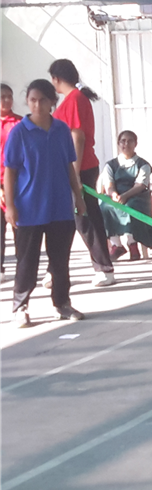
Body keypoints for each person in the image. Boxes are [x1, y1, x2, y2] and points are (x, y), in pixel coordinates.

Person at [4, 79, 88, 327]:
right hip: (29, 209)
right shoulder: (20, 132)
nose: (37, 105)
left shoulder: (61, 130)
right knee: (27, 262)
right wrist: (11, 206)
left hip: (60, 207)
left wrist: (78, 197)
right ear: (27, 101)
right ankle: (20, 306)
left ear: (52, 101)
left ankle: (61, 303)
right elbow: (10, 171)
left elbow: (69, 166)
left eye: (42, 100)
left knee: (60, 260)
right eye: (32, 100)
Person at [48, 59, 115, 287]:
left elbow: (78, 137)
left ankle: (104, 267)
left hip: (81, 167)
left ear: (56, 79)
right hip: (66, 169)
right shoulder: (71, 99)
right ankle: (54, 269)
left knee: (85, 218)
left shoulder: (76, 99)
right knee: (65, 220)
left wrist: (74, 174)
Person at [99, 130, 152, 261]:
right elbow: (109, 185)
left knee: (131, 207)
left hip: (137, 197)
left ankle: (133, 243)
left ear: (135, 144)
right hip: (117, 197)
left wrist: (125, 196)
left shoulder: (143, 165)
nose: (126, 144)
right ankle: (116, 245)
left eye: (130, 141)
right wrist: (114, 194)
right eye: (123, 141)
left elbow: (140, 185)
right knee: (104, 207)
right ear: (119, 143)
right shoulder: (110, 165)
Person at [0, 83, 21, 280]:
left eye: (9, 96)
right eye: (2, 97)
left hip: (17, 182)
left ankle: (24, 266)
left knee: (19, 226)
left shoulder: (20, 123)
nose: (6, 100)